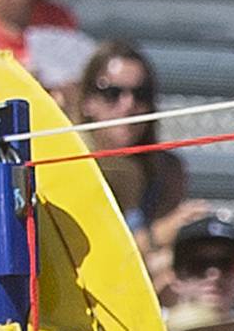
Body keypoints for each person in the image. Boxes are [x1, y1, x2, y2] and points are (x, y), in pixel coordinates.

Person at [67, 40, 193, 268]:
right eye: (112, 93)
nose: (128, 105)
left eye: (141, 94)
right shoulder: (68, 167)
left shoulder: (167, 170)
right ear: (87, 101)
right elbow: (88, 257)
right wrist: (156, 236)